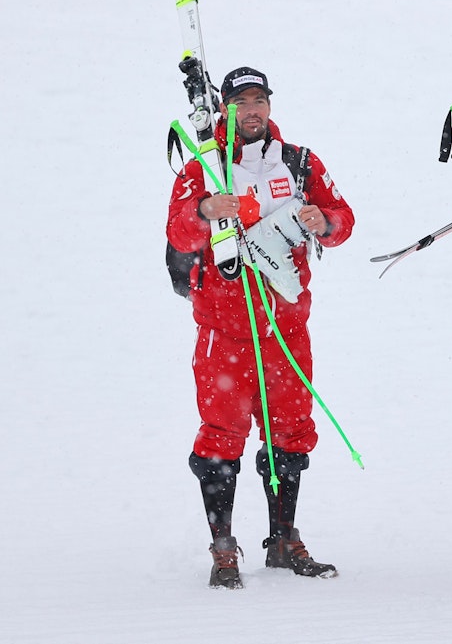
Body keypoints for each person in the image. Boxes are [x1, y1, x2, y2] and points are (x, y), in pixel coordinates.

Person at [166, 66, 355, 589]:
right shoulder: (203, 165)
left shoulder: (298, 161)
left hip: (286, 327)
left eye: (259, 100)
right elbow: (178, 232)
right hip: (224, 330)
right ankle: (223, 545)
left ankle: (284, 538)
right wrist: (205, 209)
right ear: (224, 109)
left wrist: (325, 222)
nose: (252, 110)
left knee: (291, 432)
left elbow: (344, 218)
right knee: (222, 434)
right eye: (241, 101)